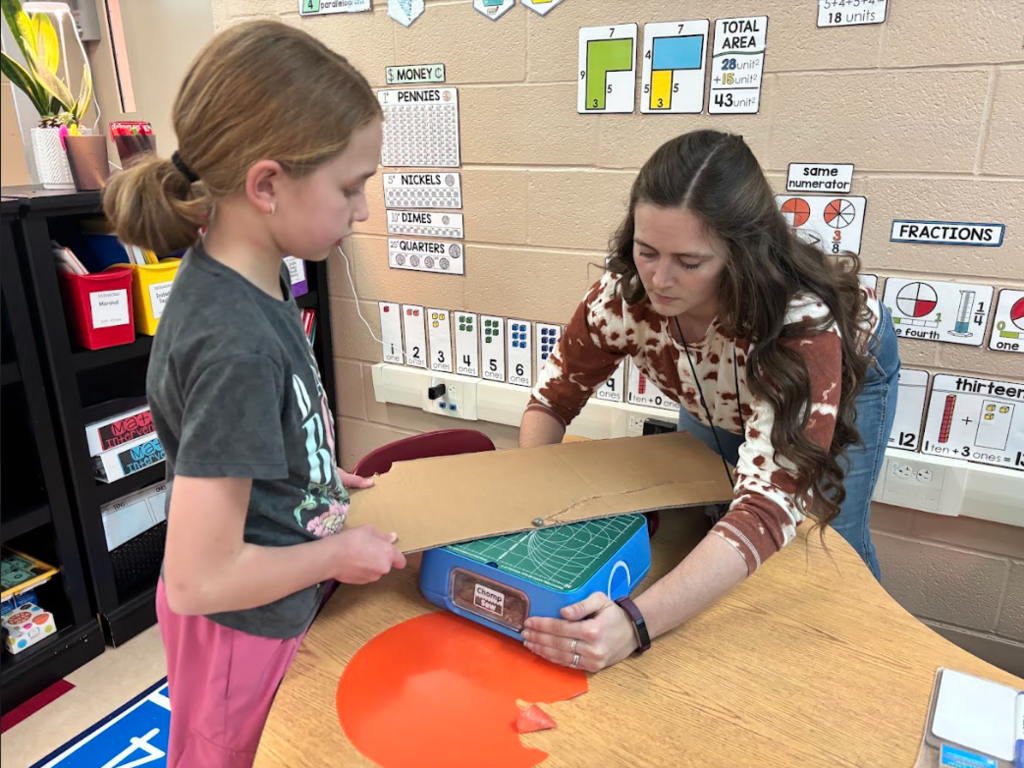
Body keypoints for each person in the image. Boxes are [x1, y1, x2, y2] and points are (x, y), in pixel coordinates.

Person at [103, 21, 405, 767]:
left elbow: (243, 434)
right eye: (350, 187)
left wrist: (305, 469)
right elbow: (199, 579)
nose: (362, 211)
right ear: (266, 184)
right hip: (242, 627)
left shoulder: (256, 276)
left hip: (270, 602)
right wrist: (337, 552)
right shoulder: (232, 339)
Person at [518, 130, 899, 673]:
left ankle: (857, 669)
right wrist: (530, 509)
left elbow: (768, 508)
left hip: (833, 372)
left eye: (689, 262)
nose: (660, 279)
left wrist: (635, 624)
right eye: (646, 251)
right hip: (714, 387)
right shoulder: (624, 294)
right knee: (702, 522)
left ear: (741, 255)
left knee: (826, 542)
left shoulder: (800, 319)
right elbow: (551, 402)